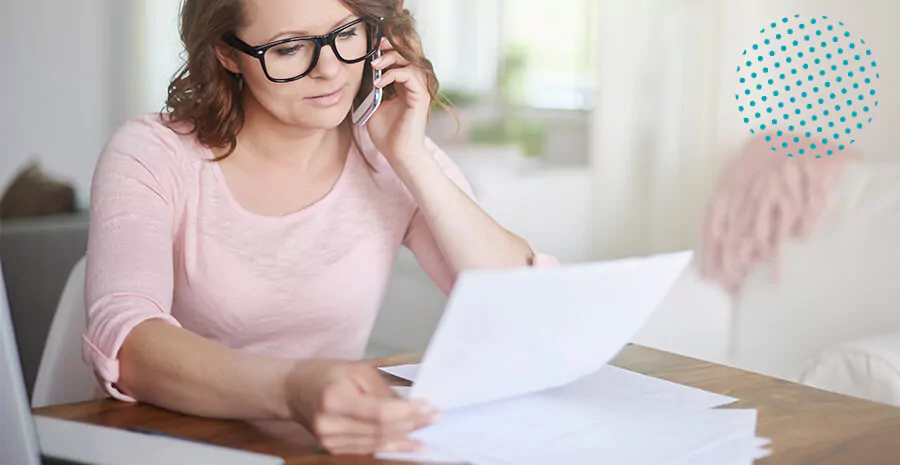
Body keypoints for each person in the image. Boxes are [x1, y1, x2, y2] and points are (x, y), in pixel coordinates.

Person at [82, 0, 557, 456]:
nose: (329, 69)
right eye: (289, 49)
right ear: (227, 53)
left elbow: (521, 303)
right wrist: (292, 387)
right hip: (173, 443)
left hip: (325, 446)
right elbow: (127, 344)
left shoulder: (388, 152)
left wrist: (411, 156)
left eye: (347, 33)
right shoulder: (153, 154)